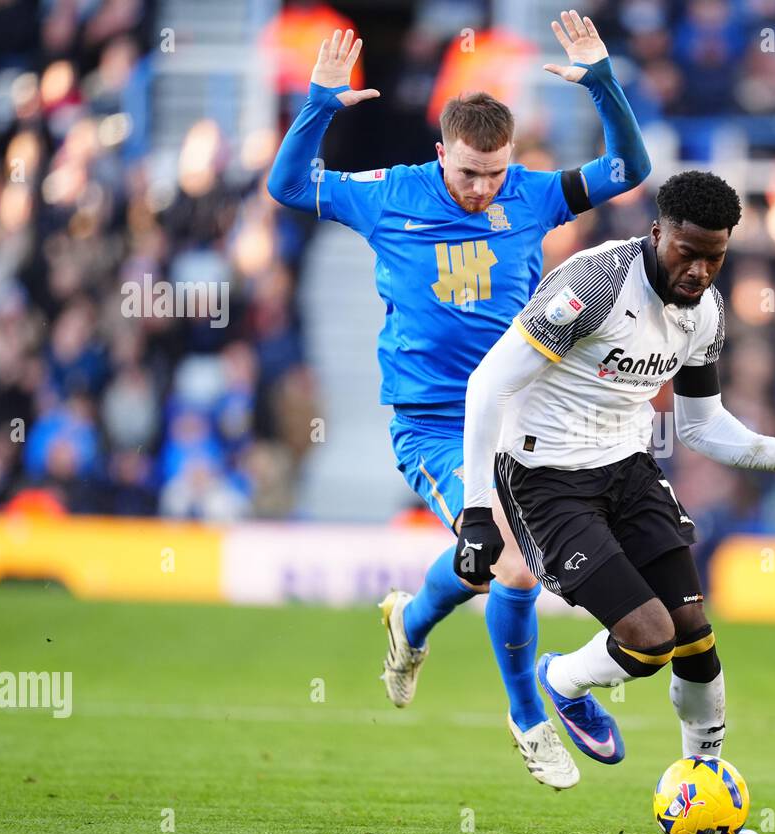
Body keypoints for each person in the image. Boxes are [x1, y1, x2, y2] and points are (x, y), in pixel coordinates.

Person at [266, 15, 651, 790]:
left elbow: (628, 169)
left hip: (526, 418)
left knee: (486, 566)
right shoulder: (390, 195)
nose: (483, 190)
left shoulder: (534, 196)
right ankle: (527, 716)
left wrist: (605, 82)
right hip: (437, 424)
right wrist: (318, 105)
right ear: (442, 154)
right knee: (511, 567)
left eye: (496, 174)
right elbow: (286, 186)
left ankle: (409, 624)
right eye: (470, 173)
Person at [456, 170, 775, 783]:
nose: (698, 271)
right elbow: (487, 384)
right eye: (686, 253)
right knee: (649, 639)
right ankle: (559, 679)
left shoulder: (707, 312)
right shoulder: (595, 284)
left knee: (696, 638)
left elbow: (700, 424)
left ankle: (705, 784)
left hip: (628, 469)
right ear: (657, 231)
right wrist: (477, 512)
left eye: (713, 258)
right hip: (545, 477)